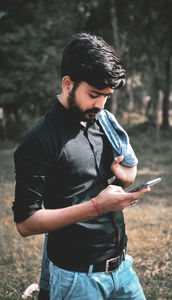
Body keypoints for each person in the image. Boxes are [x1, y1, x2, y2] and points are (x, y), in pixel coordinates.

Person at [12, 33, 150, 300]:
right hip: (77, 279)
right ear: (67, 84)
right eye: (94, 94)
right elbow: (26, 224)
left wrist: (123, 180)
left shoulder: (104, 122)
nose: (100, 104)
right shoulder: (38, 141)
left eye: (106, 96)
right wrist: (97, 206)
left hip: (122, 268)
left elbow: (121, 172)